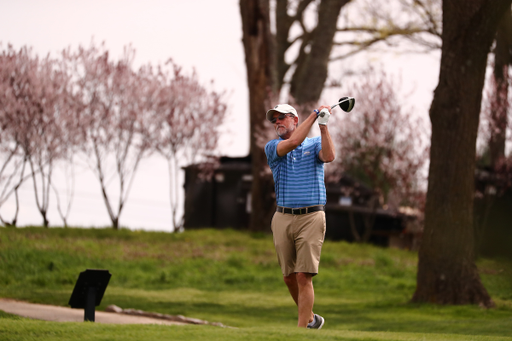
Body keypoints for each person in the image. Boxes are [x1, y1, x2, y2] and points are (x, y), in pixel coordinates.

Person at [264, 103, 335, 329]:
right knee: (288, 277)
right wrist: (315, 114)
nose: (277, 122)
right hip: (283, 217)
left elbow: (329, 155)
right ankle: (312, 318)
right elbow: (294, 142)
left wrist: (323, 127)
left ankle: (300, 331)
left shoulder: (314, 144)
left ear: (295, 120)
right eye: (274, 119)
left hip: (311, 217)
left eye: (282, 117)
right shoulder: (272, 147)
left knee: (304, 276)